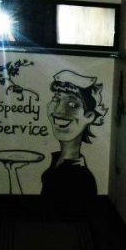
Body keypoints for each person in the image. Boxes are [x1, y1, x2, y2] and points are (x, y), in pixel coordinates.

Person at [41, 70, 106, 202]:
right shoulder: (59, 160)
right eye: (56, 99)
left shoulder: (81, 178)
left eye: (72, 104)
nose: (58, 110)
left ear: (89, 116)